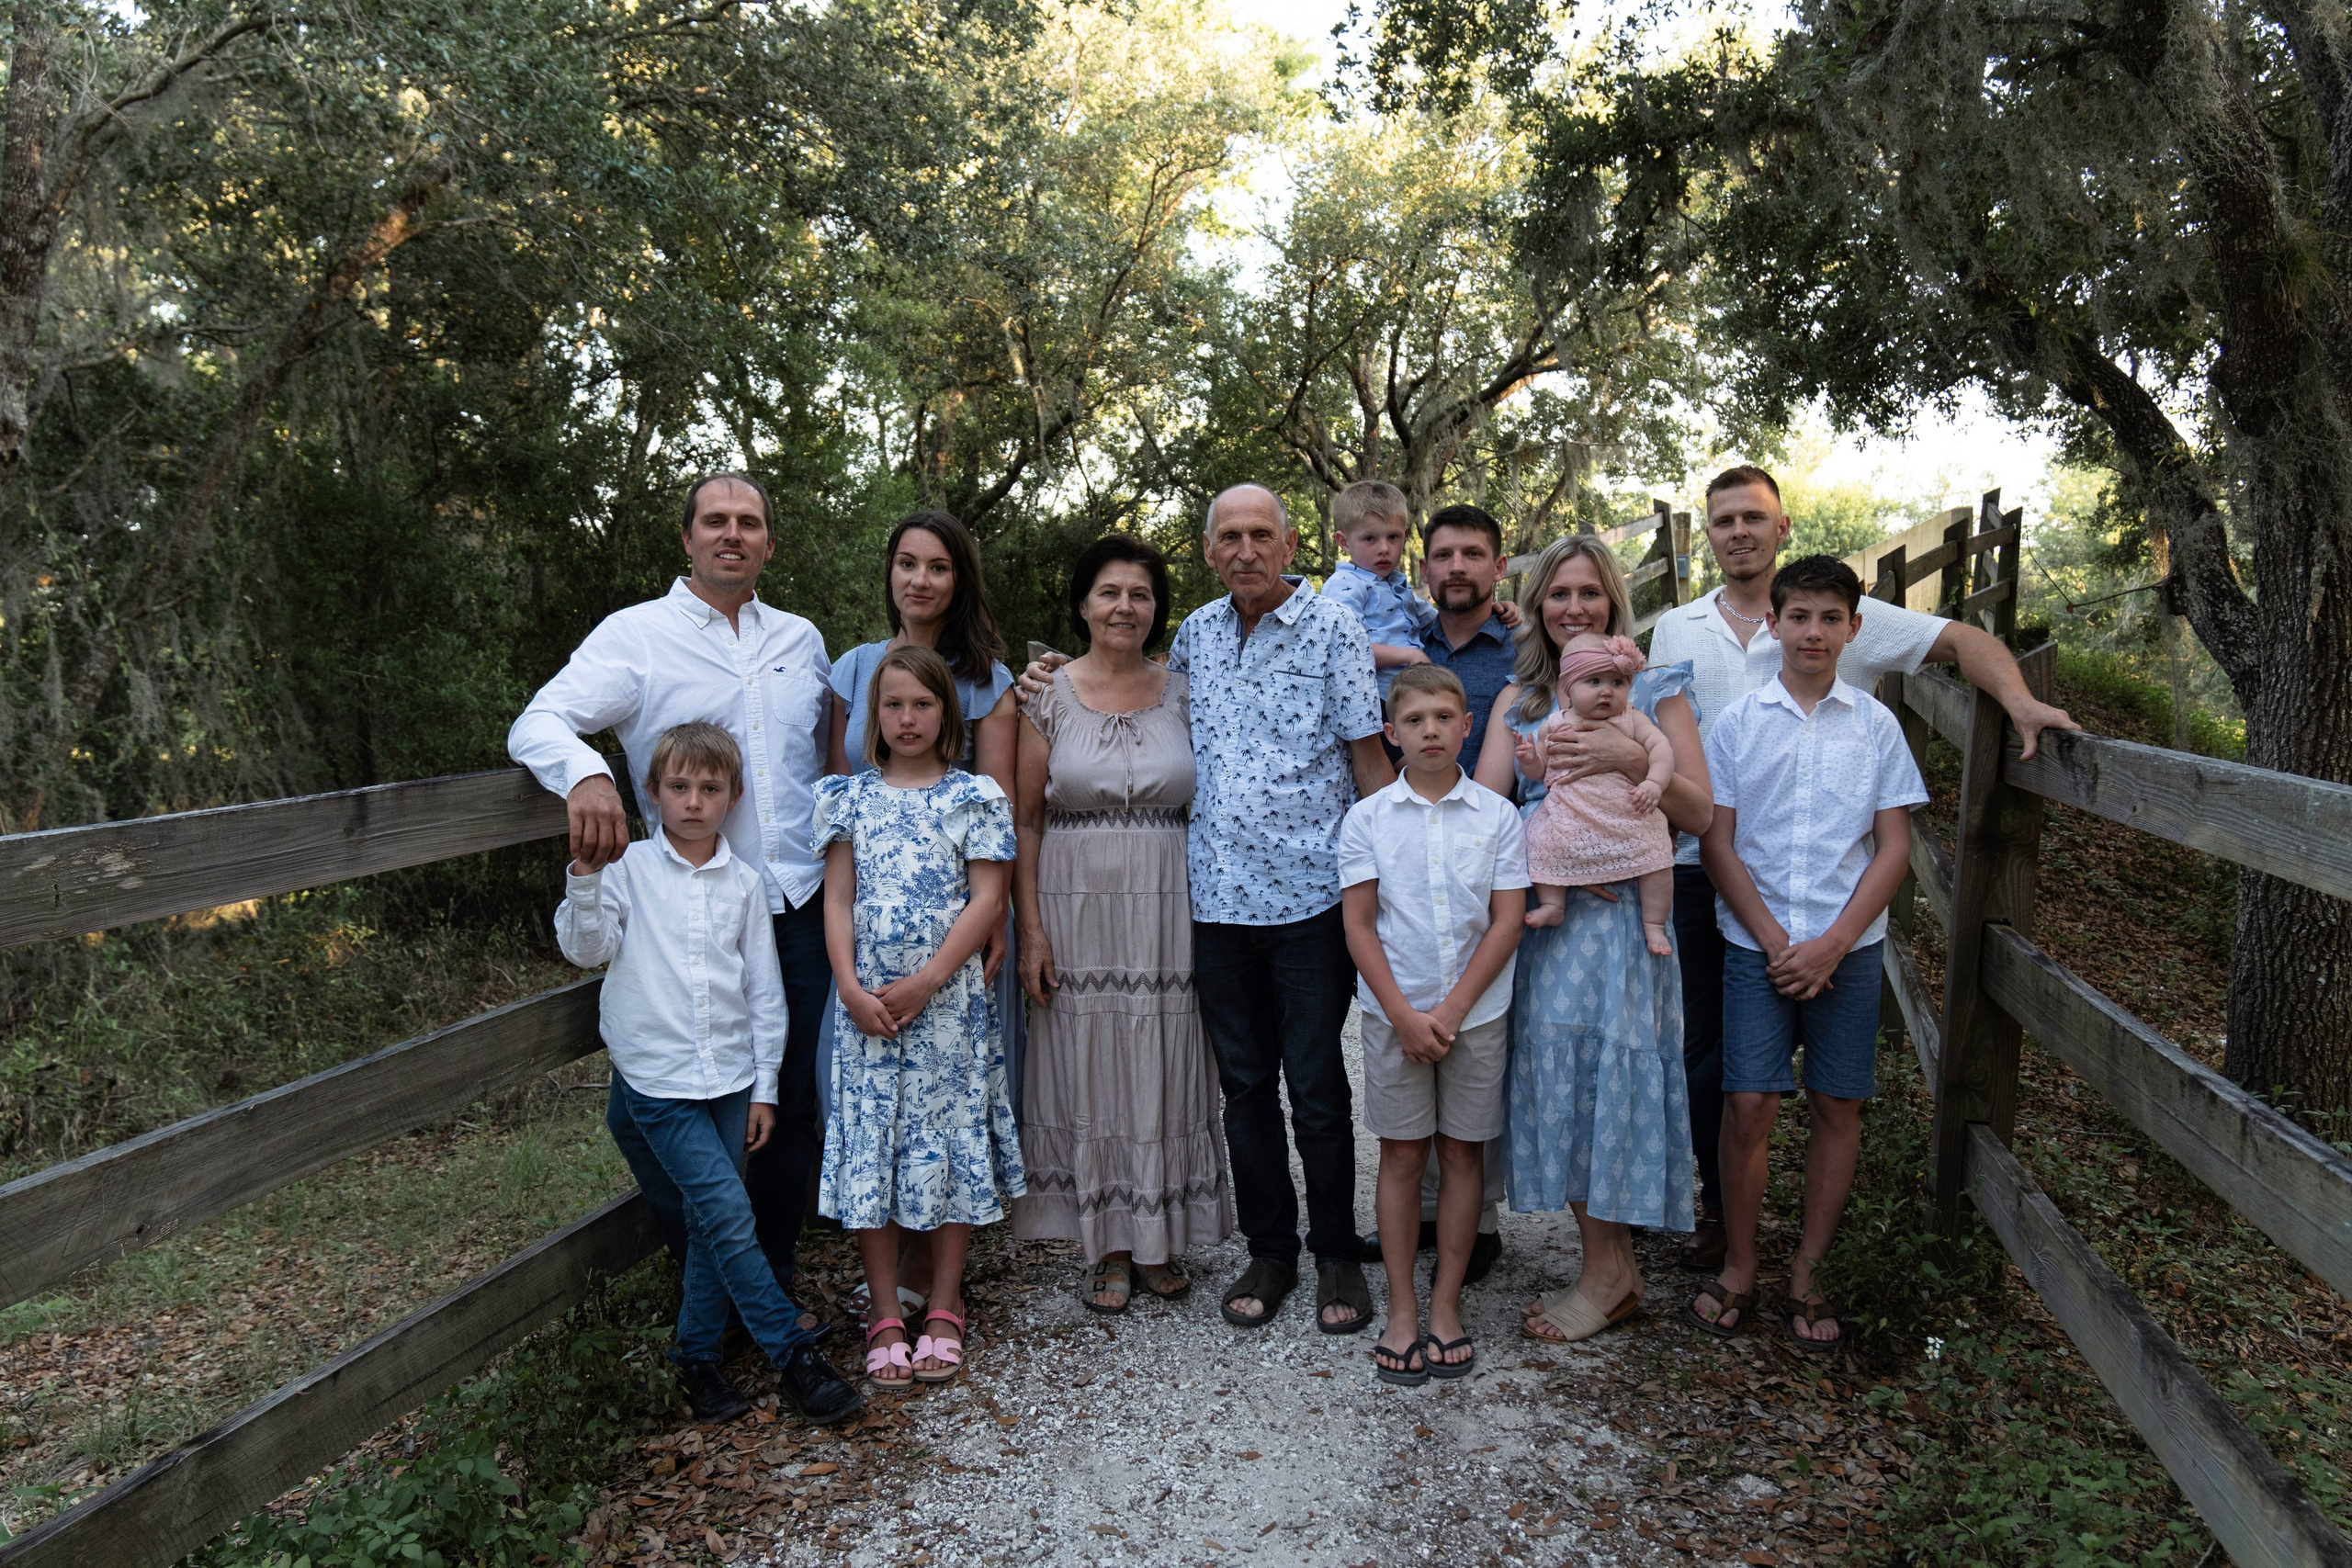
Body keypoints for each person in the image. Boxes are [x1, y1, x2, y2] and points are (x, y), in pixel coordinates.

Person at [1648, 465, 2077, 1272]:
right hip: (1706, 859)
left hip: (1825, 889)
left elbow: (1963, 641)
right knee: (1708, 1053)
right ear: (1708, 534)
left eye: (1754, 518)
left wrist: (2019, 700)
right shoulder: (1675, 628)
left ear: (1783, 528)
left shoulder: (1850, 616)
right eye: (1723, 520)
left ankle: (1793, 1255)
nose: (1737, 531)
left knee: (1824, 1087)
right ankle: (1717, 1208)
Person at [511, 472, 839, 1328]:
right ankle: (719, 1277)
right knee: (650, 1107)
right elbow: (539, 718)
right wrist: (584, 772)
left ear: (769, 542)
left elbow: (825, 765)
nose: (733, 534)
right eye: (716, 520)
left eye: (750, 522)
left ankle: (770, 1281)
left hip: (795, 901)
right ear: (688, 537)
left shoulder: (802, 640)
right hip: (681, 911)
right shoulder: (638, 637)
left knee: (783, 1107)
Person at [554, 722, 864, 1427]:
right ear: (653, 793)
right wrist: (584, 877)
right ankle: (793, 1355)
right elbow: (588, 947)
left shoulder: (745, 883)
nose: (694, 801)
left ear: (734, 796)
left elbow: (762, 991)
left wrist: (762, 1087)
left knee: (708, 1217)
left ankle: (695, 1354)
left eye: (710, 788)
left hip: (727, 1077)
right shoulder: (627, 869)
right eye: (679, 787)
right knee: (728, 1210)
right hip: (657, 1079)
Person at [1471, 534, 1713, 1344]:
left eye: (1590, 593)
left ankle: (1613, 1272)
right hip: (1557, 922)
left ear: (1613, 602)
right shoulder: (1523, 702)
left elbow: (1702, 814)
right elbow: (1483, 811)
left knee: (1614, 1081)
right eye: (1558, 594)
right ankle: (1604, 1265)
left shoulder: (1655, 688)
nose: (1574, 607)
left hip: (1627, 927)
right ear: (1538, 605)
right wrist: (1553, 859)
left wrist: (1622, 753)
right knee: (1565, 1086)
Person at [1689, 556, 1928, 1352]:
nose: (1814, 632)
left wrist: (1827, 944)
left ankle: (1810, 1268)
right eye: (1799, 617)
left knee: (1836, 1102)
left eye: (1831, 618)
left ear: (1854, 629)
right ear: (1773, 624)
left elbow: (1892, 846)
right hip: (1754, 942)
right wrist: (1773, 939)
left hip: (1848, 945)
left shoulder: (1875, 725)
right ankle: (1742, 1265)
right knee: (1749, 1102)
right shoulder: (1737, 724)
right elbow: (1716, 840)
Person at [1011, 536, 1233, 1312]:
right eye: (1109, 591)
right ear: (1082, 603)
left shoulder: (1186, 689)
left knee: (1167, 1053)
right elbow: (1026, 819)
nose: (1124, 607)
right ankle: (1105, 1241)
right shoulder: (1044, 695)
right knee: (1087, 1057)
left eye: (1139, 594)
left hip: (1171, 897)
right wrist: (1031, 930)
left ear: (1155, 608)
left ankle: (1160, 1235)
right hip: (1073, 899)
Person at [825, 510, 1020, 1323]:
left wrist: (983, 935)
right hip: (865, 981)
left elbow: (995, 862)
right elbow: (838, 880)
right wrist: (848, 981)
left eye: (938, 566)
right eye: (906, 563)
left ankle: (940, 1294)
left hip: (949, 976)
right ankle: (884, 1304)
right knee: (875, 1120)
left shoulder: (986, 692)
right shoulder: (853, 686)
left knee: (947, 1117)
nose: (920, 579)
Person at [1340, 666, 1528, 1384]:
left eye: (1444, 717)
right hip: (1395, 1015)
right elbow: (1360, 926)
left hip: (1474, 1016)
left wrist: (1449, 1012)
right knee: (1402, 1156)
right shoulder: (1367, 819)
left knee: (1461, 1155)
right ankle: (1402, 1309)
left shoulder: (1497, 816)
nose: (1430, 731)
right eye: (1414, 720)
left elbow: (1507, 920)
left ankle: (1446, 1302)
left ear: (1468, 726)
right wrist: (1404, 1014)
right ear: (1391, 732)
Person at [1406, 502, 1521, 1282]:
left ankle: (1472, 1217)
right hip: (1406, 853)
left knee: (1482, 1029)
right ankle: (1415, 1208)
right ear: (1423, 570)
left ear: (1498, 567)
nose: (1456, 567)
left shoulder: (1522, 648)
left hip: (1496, 848)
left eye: (1472, 554)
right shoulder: (1392, 644)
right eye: (1442, 555)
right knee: (1411, 1016)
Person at [1522, 633, 1678, 951]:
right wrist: (1529, 759)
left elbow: (1662, 749)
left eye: (1617, 683)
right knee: (1541, 841)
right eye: (1594, 681)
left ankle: (1653, 923)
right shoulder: (1553, 725)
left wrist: (1654, 783)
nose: (1607, 691)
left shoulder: (1632, 719)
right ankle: (1553, 905)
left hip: (1628, 813)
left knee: (1657, 852)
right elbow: (1538, 770)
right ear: (1569, 688)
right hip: (1571, 814)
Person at [1316, 479, 1439, 698]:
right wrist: (1410, 655)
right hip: (1370, 700)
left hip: (1408, 696)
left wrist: (1497, 612)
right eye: (1369, 538)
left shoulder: (1394, 584)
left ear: (1405, 534)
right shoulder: (1346, 585)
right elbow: (1349, 649)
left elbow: (1439, 620)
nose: (1384, 548)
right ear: (1343, 541)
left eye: (1393, 537)